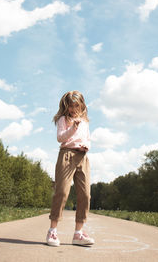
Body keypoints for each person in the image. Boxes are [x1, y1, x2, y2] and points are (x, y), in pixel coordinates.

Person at [46, 90, 94, 247]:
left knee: (85, 195)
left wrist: (86, 146)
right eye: (70, 106)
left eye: (76, 105)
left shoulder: (85, 122)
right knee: (62, 192)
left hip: (82, 157)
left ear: (82, 106)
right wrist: (73, 128)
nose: (73, 109)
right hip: (67, 155)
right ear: (65, 107)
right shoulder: (63, 119)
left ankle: (78, 234)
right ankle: (52, 231)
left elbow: (87, 139)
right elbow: (60, 137)